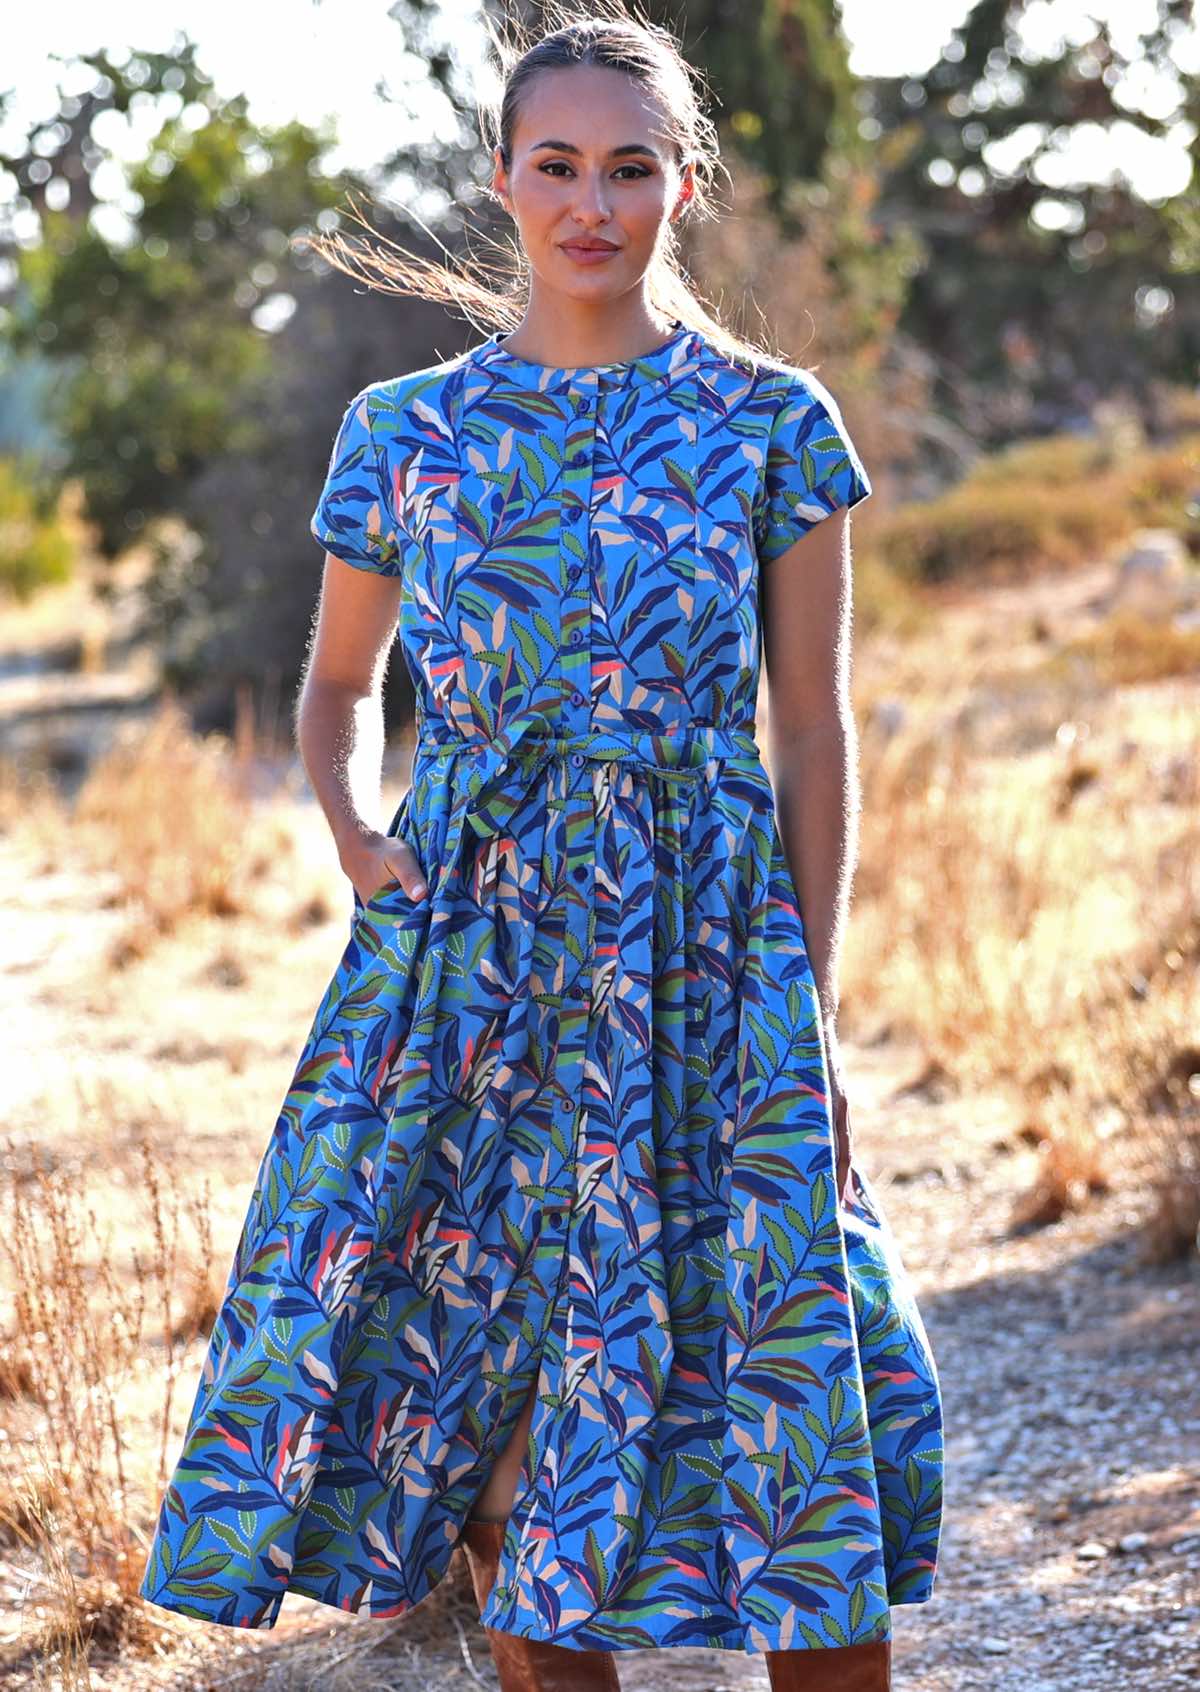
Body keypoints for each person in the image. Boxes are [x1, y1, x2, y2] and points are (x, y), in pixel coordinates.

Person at [138, 6, 944, 1688]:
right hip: (467, 968)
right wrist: (357, 829)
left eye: (632, 167)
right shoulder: (406, 430)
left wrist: (812, 998)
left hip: (712, 956)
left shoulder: (772, 423)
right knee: (486, 1418)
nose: (595, 202)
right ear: (500, 180)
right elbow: (344, 684)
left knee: (787, 1406)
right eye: (559, 165)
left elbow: (810, 727)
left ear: (687, 183)